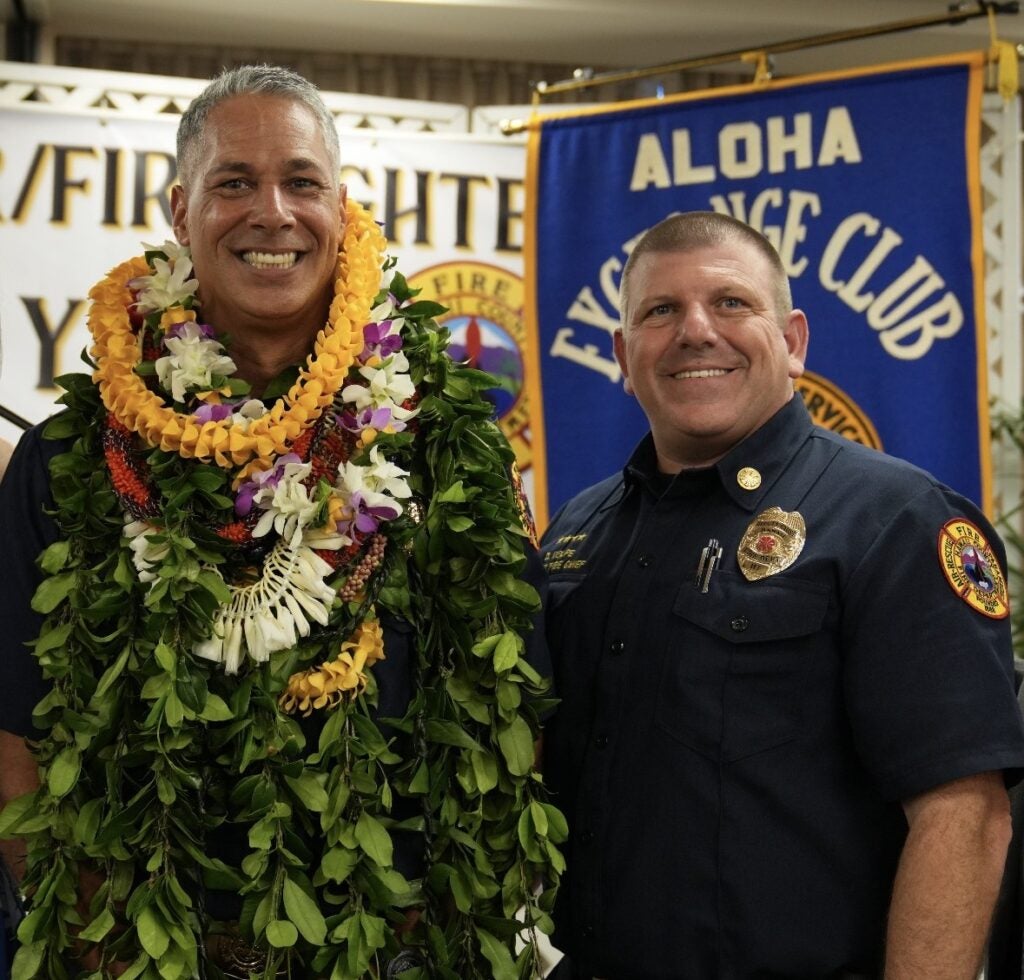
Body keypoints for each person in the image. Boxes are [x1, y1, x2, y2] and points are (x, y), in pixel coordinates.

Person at [0, 65, 558, 979]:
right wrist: (91, 942)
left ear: (342, 209)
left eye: (301, 181)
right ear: (181, 213)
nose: (273, 212)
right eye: (234, 183)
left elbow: (516, 713)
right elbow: (16, 733)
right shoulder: (74, 457)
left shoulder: (447, 443)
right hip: (141, 955)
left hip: (397, 953)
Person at [540, 210, 1024, 979]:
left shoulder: (892, 520)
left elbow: (963, 815)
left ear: (793, 341)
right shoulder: (578, 532)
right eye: (660, 311)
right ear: (623, 357)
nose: (696, 330)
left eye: (731, 303)